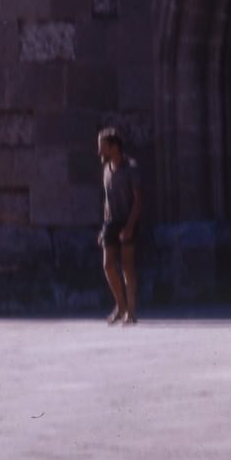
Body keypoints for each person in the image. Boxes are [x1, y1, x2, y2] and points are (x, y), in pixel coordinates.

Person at [97, 128, 143, 325]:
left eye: (103, 147)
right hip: (111, 222)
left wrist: (130, 226)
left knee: (127, 267)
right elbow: (106, 200)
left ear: (114, 147)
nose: (100, 151)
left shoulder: (131, 168)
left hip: (127, 221)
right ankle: (120, 305)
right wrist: (103, 228)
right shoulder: (106, 170)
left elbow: (139, 200)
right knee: (108, 265)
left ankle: (131, 311)